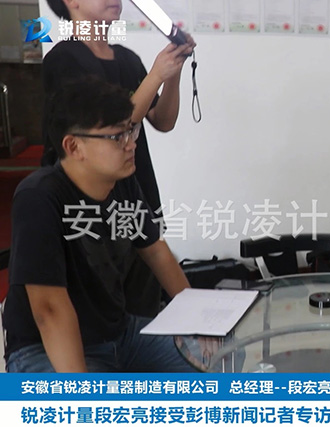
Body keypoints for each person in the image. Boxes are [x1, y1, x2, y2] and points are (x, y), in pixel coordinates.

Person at [3, 77, 196, 373]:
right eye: (117, 137)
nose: (131, 144)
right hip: (42, 348)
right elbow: (49, 310)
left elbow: (156, 252)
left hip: (119, 335)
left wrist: (199, 320)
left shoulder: (122, 182)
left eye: (131, 130)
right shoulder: (39, 197)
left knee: (217, 360)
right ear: (74, 146)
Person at [42, 0, 196, 317]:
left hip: (134, 190)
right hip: (85, 205)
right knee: (96, 309)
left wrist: (172, 73)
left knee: (143, 301)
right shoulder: (63, 59)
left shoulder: (127, 59)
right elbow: (106, 131)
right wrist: (156, 74)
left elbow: (163, 120)